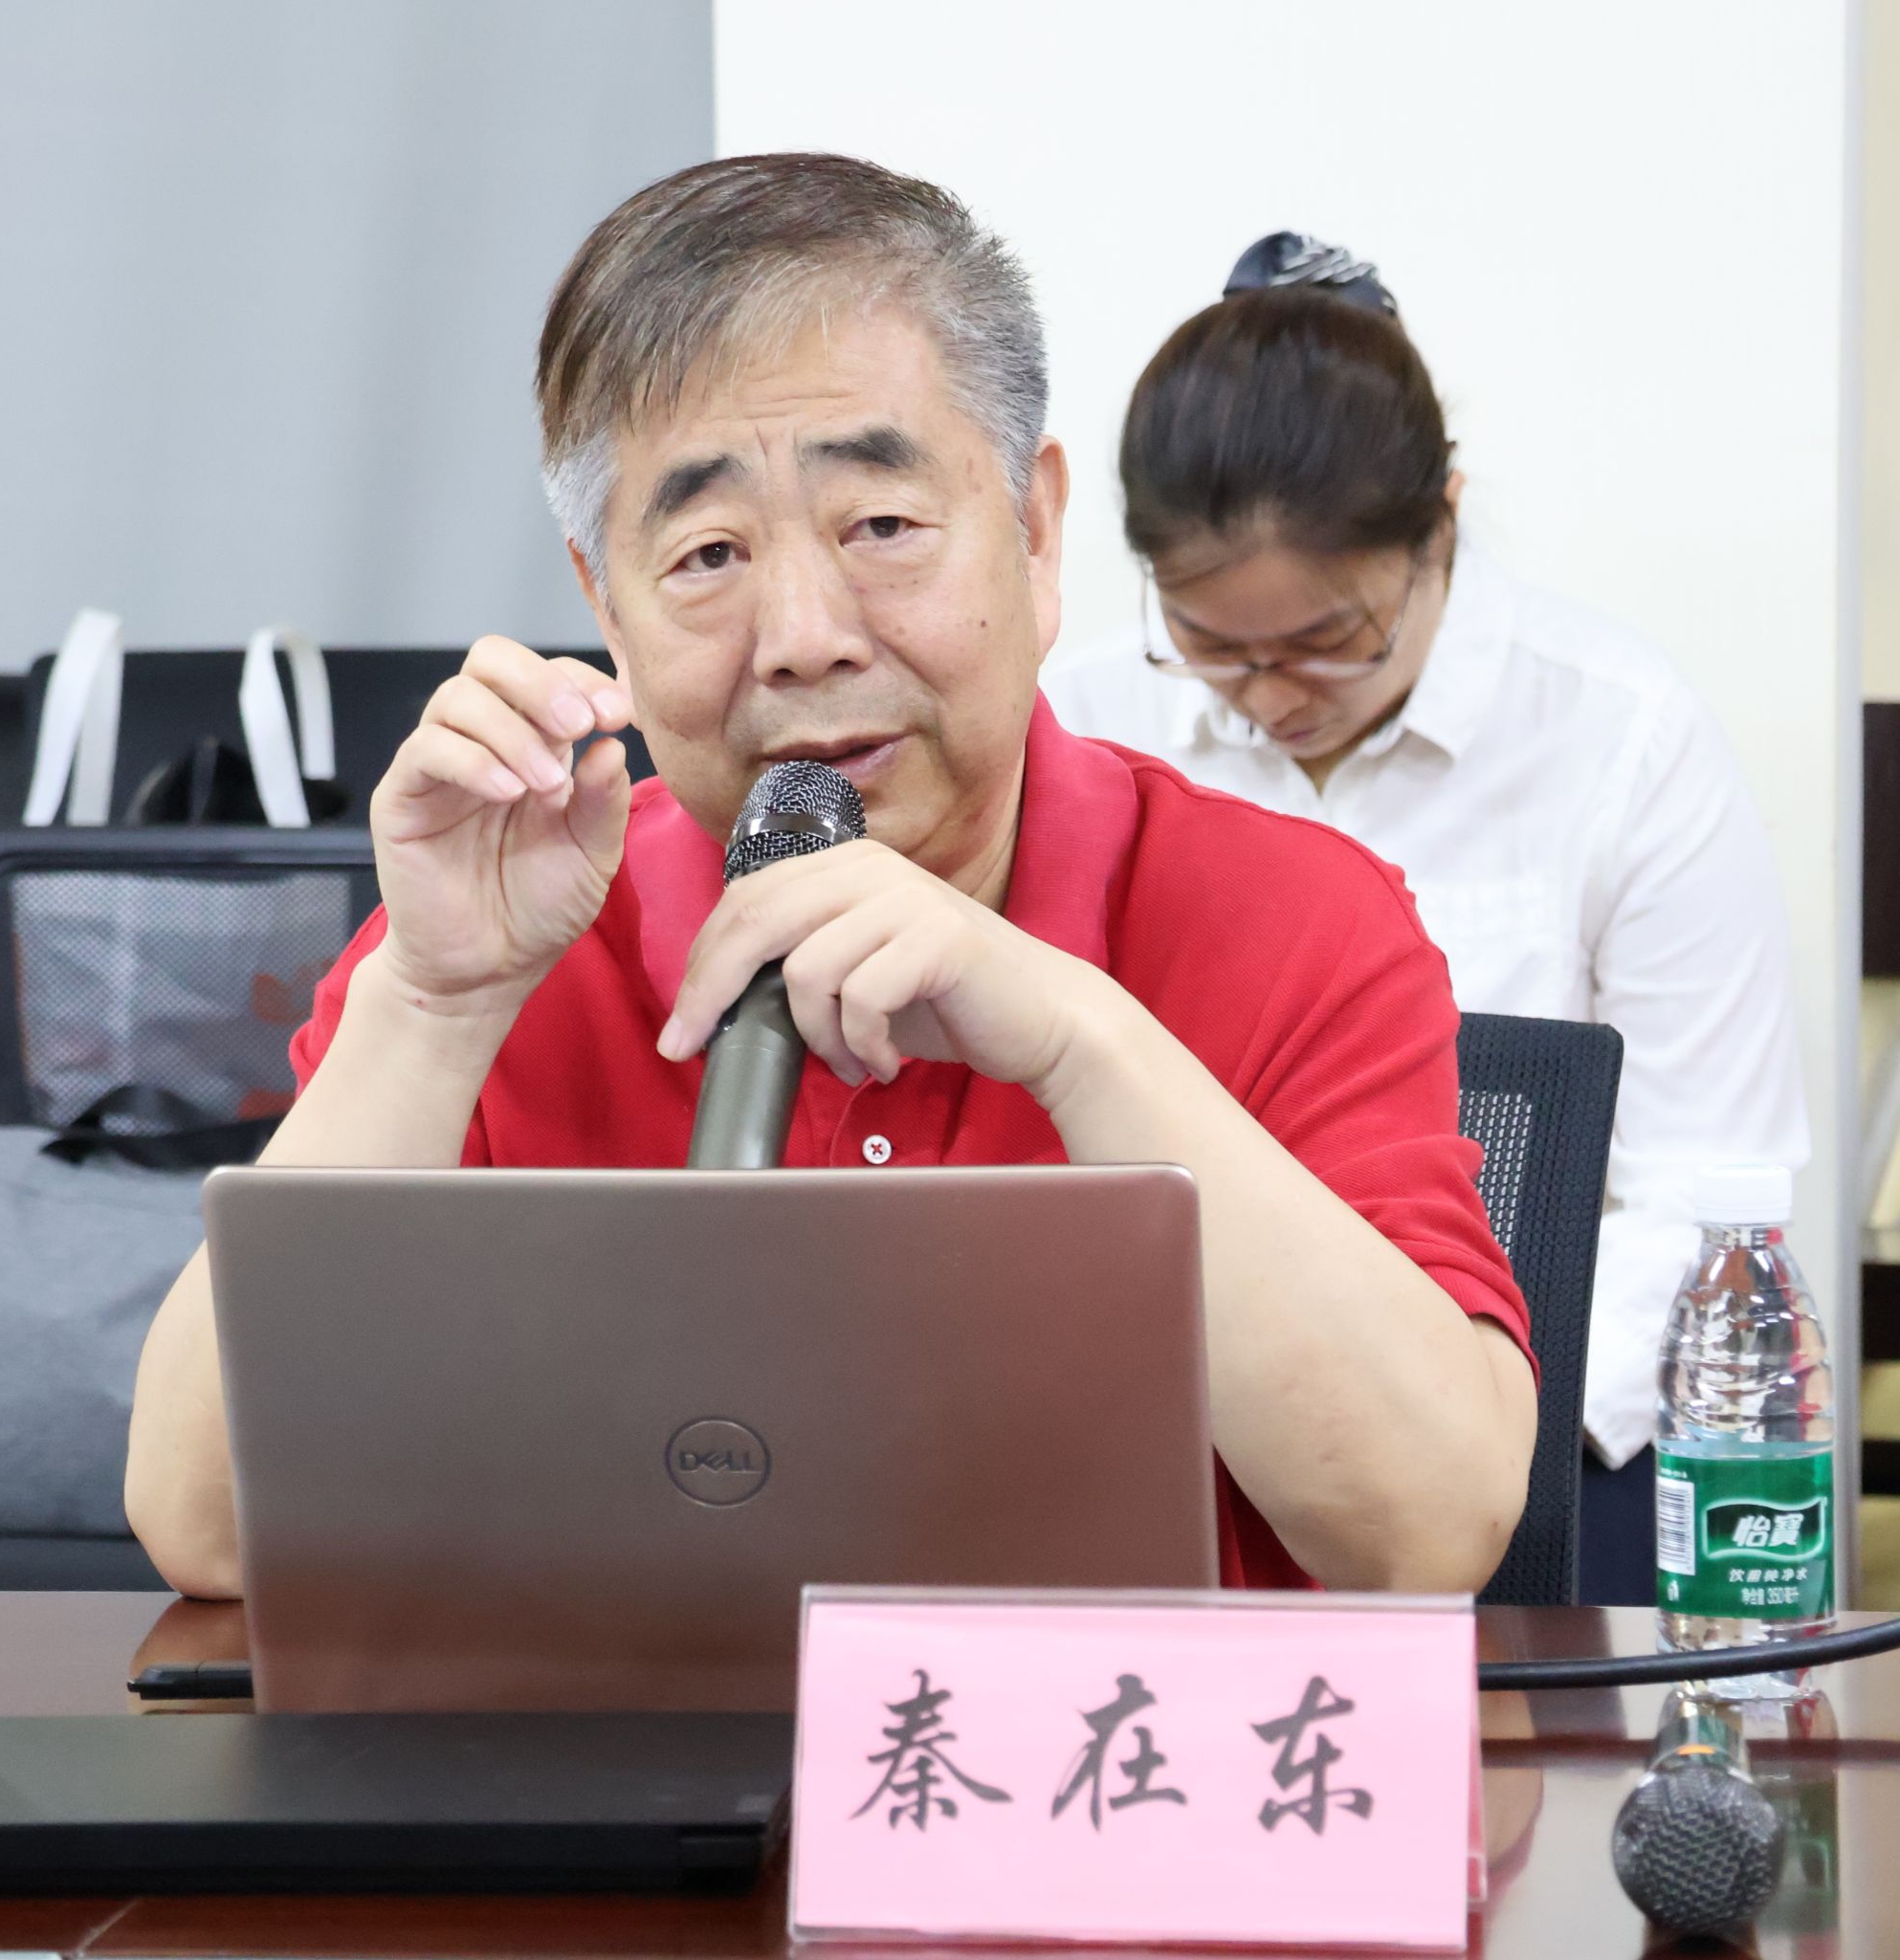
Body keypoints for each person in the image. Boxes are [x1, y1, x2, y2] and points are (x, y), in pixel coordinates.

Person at [124, 162, 1535, 1604]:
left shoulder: (1296, 916)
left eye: (882, 527)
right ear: (605, 602)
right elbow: (208, 1528)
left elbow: (1424, 1534)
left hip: (1117, 1746)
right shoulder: (510, 925)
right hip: (616, 1745)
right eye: (709, 553)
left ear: (1035, 533)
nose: (804, 636)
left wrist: (1075, 1037)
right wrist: (431, 1010)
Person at [1043, 233, 1808, 1605]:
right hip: (1161, 1421)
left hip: (1536, 1433)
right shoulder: (1087, 729)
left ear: (1441, 526)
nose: (1271, 696)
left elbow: (1707, 1183)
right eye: (1212, 646)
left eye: (1329, 640)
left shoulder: (1620, 740)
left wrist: (1460, 1438)